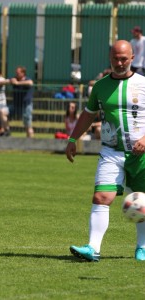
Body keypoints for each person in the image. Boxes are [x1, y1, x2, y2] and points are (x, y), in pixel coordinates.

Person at [66, 40, 145, 262]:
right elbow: (88, 114)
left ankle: (142, 247)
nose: (119, 63)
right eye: (115, 58)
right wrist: (73, 138)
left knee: (141, 201)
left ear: (132, 58)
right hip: (111, 152)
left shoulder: (143, 84)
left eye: (123, 59)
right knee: (101, 196)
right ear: (110, 58)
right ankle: (93, 248)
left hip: (141, 155)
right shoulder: (100, 86)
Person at [11, 66, 34, 138]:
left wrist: (17, 83)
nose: (16, 74)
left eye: (18, 73)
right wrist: (11, 81)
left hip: (26, 105)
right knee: (3, 112)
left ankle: (31, 142)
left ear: (23, 73)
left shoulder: (27, 79)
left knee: (28, 124)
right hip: (16, 105)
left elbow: (30, 83)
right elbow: (7, 81)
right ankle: (5, 133)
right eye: (16, 73)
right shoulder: (14, 79)